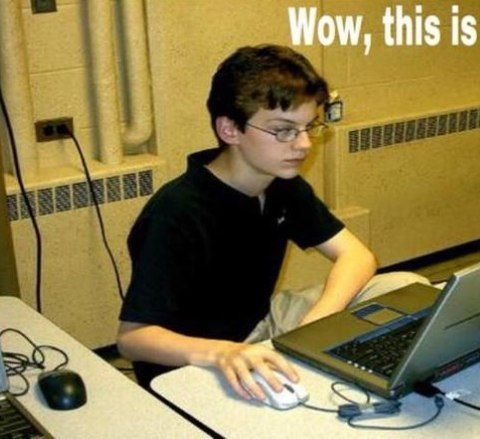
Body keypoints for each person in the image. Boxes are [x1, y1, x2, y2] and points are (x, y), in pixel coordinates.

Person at [116, 44, 428, 402]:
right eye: (284, 130)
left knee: (408, 287)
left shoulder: (282, 183)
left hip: (260, 324)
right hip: (197, 357)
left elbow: (357, 257)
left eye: (309, 127)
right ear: (230, 129)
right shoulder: (177, 212)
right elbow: (133, 339)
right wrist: (222, 352)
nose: (304, 144)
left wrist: (314, 328)